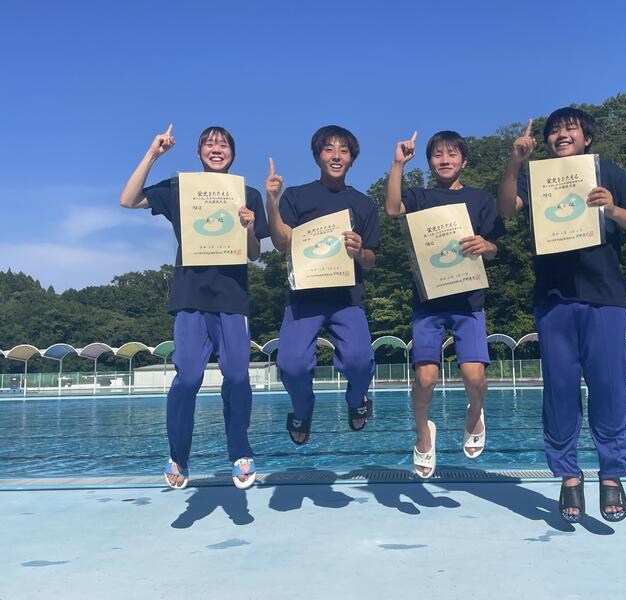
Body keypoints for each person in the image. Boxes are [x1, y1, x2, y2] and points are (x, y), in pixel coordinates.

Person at [497, 109, 626, 522]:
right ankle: (568, 474)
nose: (561, 135)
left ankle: (611, 473)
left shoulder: (609, 172)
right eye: (554, 131)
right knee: (560, 388)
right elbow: (507, 210)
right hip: (553, 298)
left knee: (609, 386)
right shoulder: (536, 176)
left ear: (587, 137)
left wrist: (613, 209)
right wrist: (514, 162)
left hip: (605, 295)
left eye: (569, 129)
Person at [119, 124, 268, 490]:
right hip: (189, 297)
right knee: (187, 379)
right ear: (199, 152)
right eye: (209, 144)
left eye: (223, 144)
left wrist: (249, 226)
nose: (216, 149)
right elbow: (128, 200)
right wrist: (153, 154)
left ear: (232, 153)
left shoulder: (247, 193)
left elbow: (254, 253)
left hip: (232, 297)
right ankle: (179, 456)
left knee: (237, 376)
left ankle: (240, 452)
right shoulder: (180, 188)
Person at [385, 130, 505, 478]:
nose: (445, 160)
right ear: (429, 162)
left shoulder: (480, 199)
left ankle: (474, 414)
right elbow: (392, 209)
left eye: (452, 154)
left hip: (468, 300)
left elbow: (494, 246)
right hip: (428, 300)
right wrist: (398, 164)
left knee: (473, 374)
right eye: (437, 155)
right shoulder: (419, 196)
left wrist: (486, 246)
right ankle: (423, 433)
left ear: (464, 161)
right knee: (425, 378)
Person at [265, 125, 378, 445]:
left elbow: (372, 259)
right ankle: (303, 410)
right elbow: (282, 242)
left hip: (346, 298)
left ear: (352, 158)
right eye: (329, 149)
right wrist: (272, 202)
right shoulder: (297, 196)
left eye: (344, 150)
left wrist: (360, 251)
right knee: (292, 365)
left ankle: (357, 399)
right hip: (304, 298)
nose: (336, 156)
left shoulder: (364, 204)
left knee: (360, 361)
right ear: (317, 156)